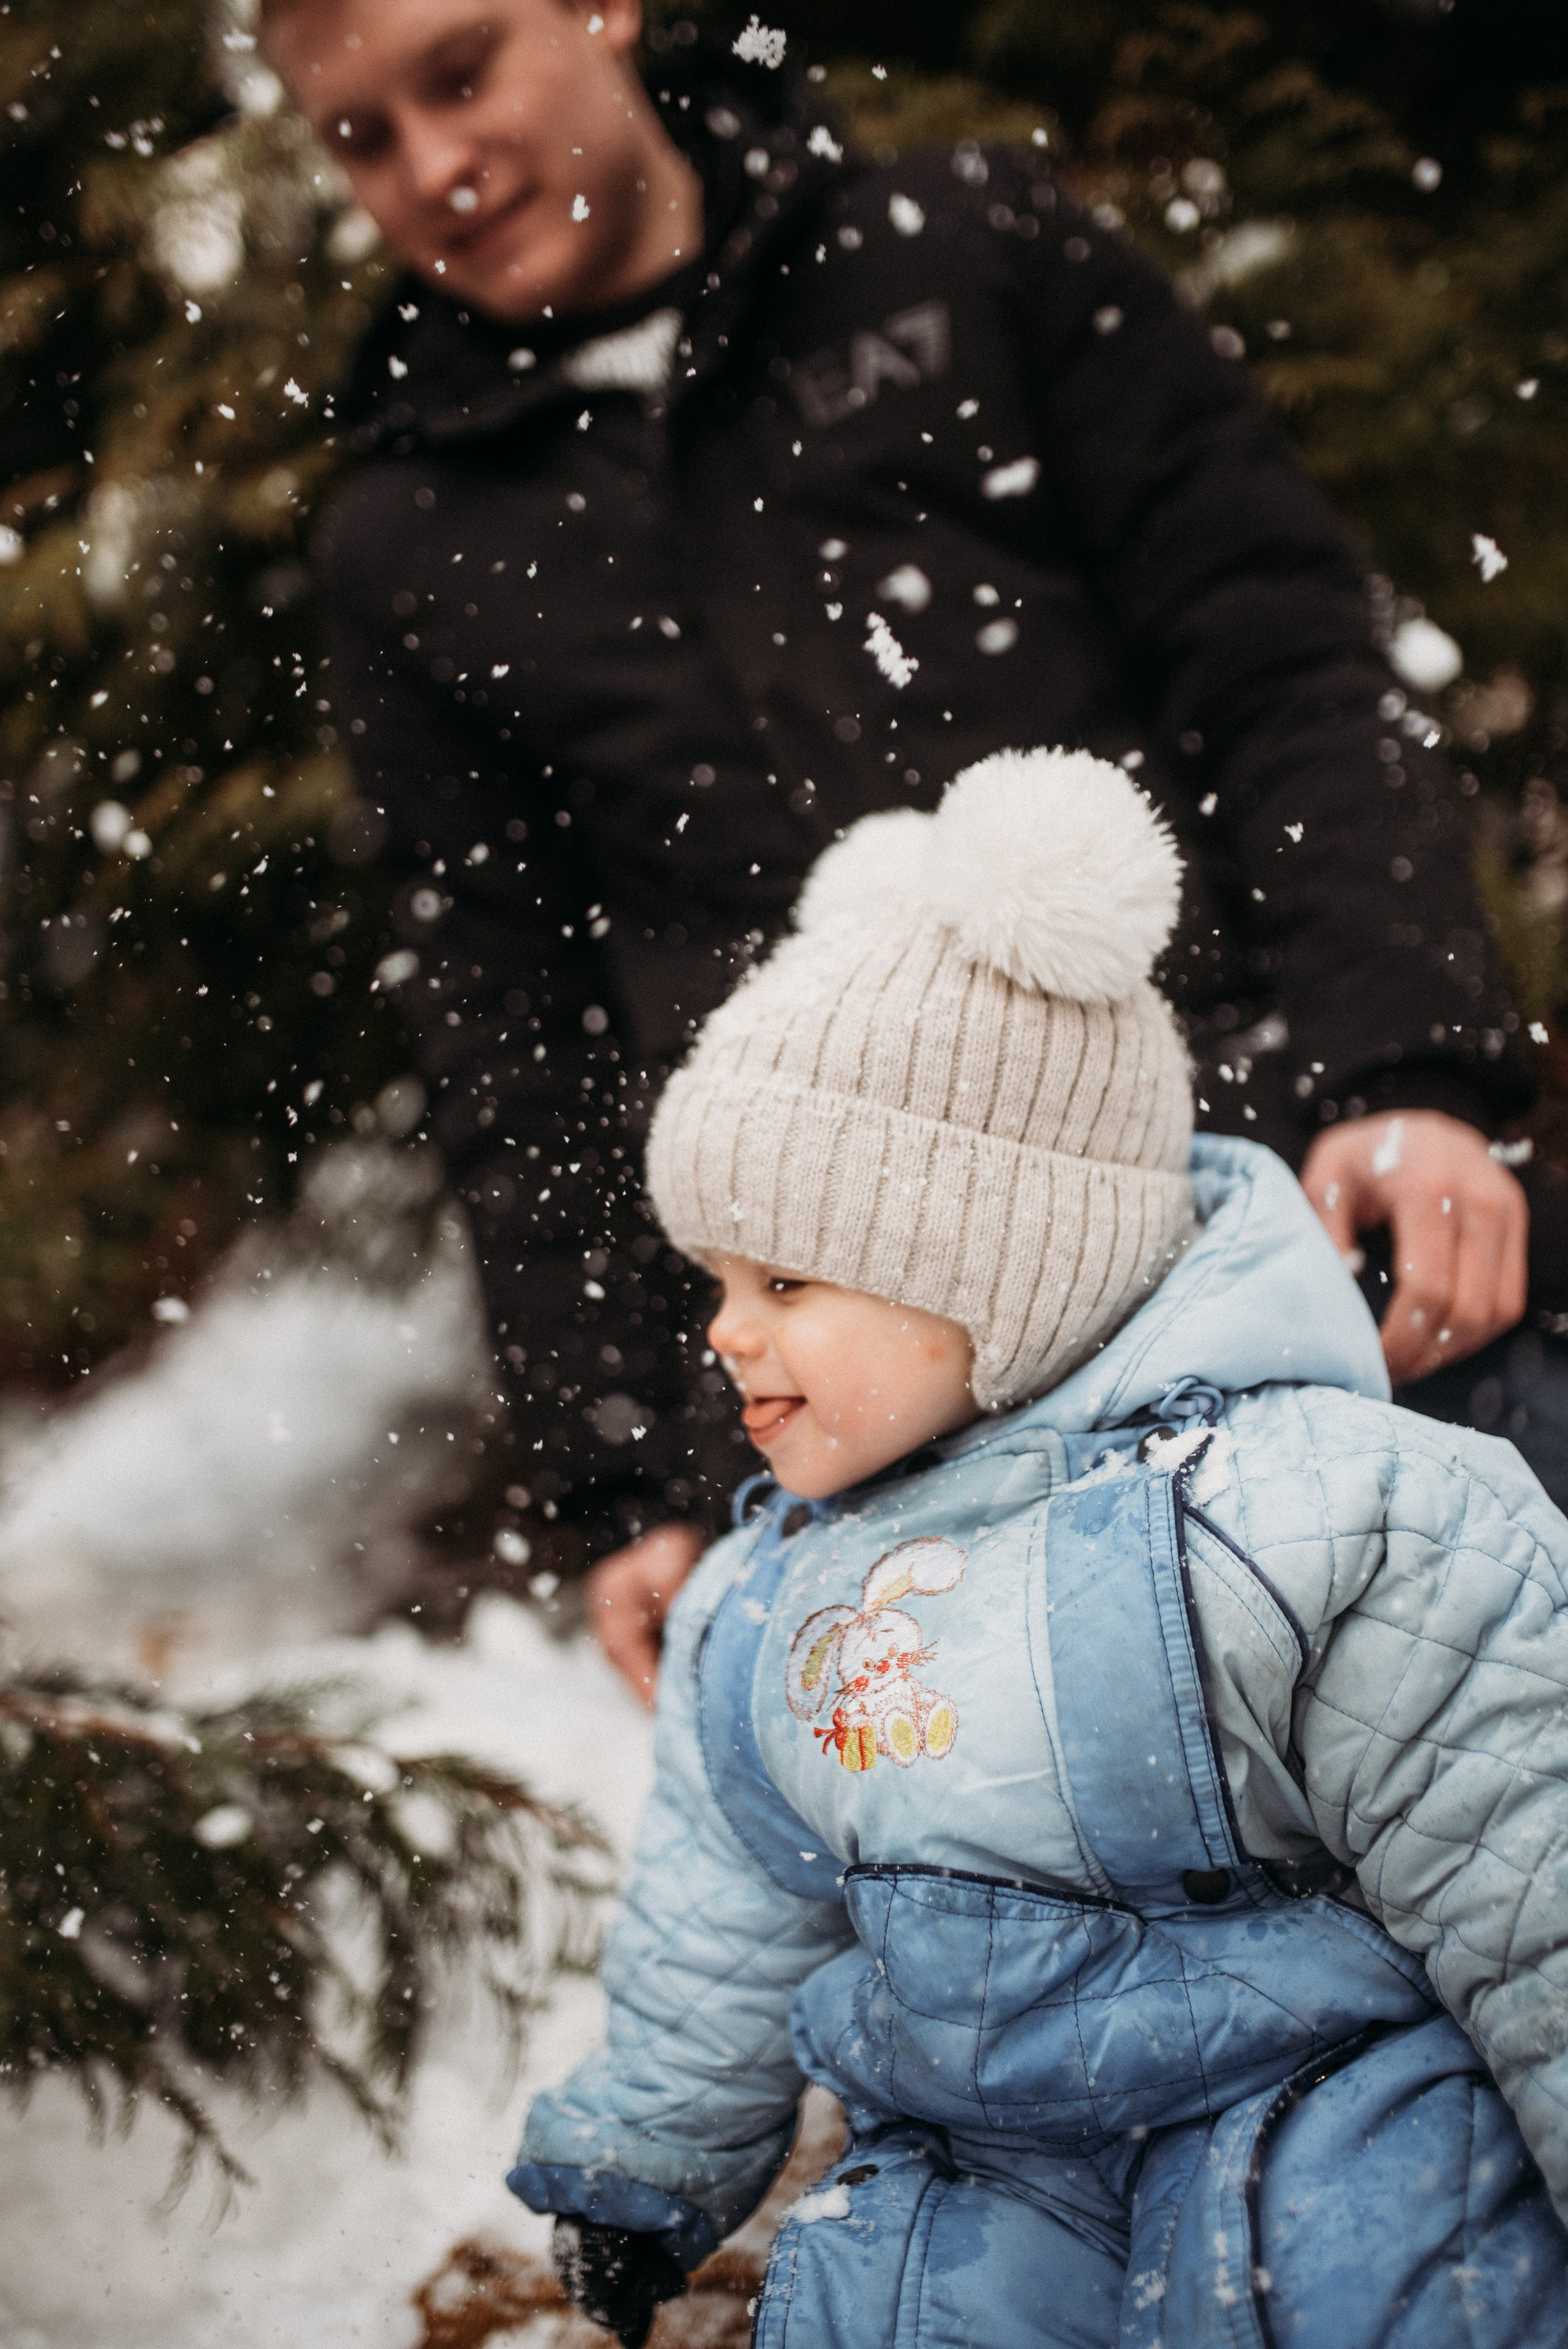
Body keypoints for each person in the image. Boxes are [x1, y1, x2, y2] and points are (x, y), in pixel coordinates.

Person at [264, 0, 1552, 1693]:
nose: (434, 166)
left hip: (1270, 1223)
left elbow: (1283, 659)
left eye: (462, 70)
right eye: (363, 134)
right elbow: (510, 1025)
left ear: (602, 10)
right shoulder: (408, 537)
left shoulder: (962, 258)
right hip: (856, 1414)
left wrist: (1412, 1073)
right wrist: (629, 1474)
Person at [507, 748, 1568, 2347]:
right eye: (715, 1279)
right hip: (980, 2162)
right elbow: (720, 1922)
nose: (727, 1333)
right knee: (885, 2304)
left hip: (1325, 2105)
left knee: (1388, 2273)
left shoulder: (1329, 1514)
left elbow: (1533, 1888)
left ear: (996, 1267)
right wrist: (643, 2161)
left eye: (789, 1280)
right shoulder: (771, 1603)